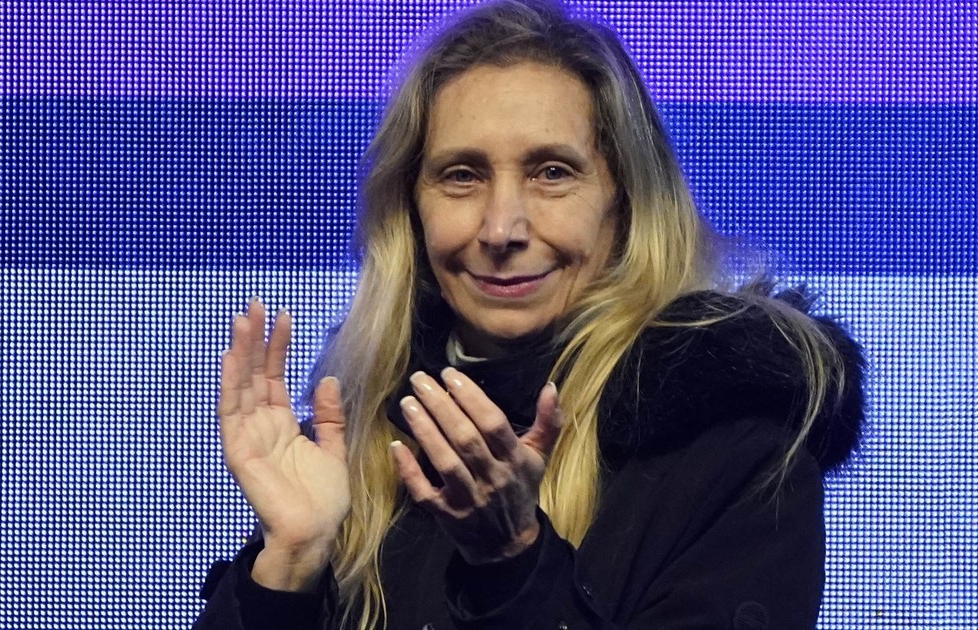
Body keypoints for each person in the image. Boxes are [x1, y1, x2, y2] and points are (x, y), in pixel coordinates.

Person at [194, 0, 865, 628]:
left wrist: (514, 567)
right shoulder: (360, 437)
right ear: (411, 208)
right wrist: (287, 567)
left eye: (552, 172)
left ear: (626, 201)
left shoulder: (738, 446)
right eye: (462, 175)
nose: (501, 228)